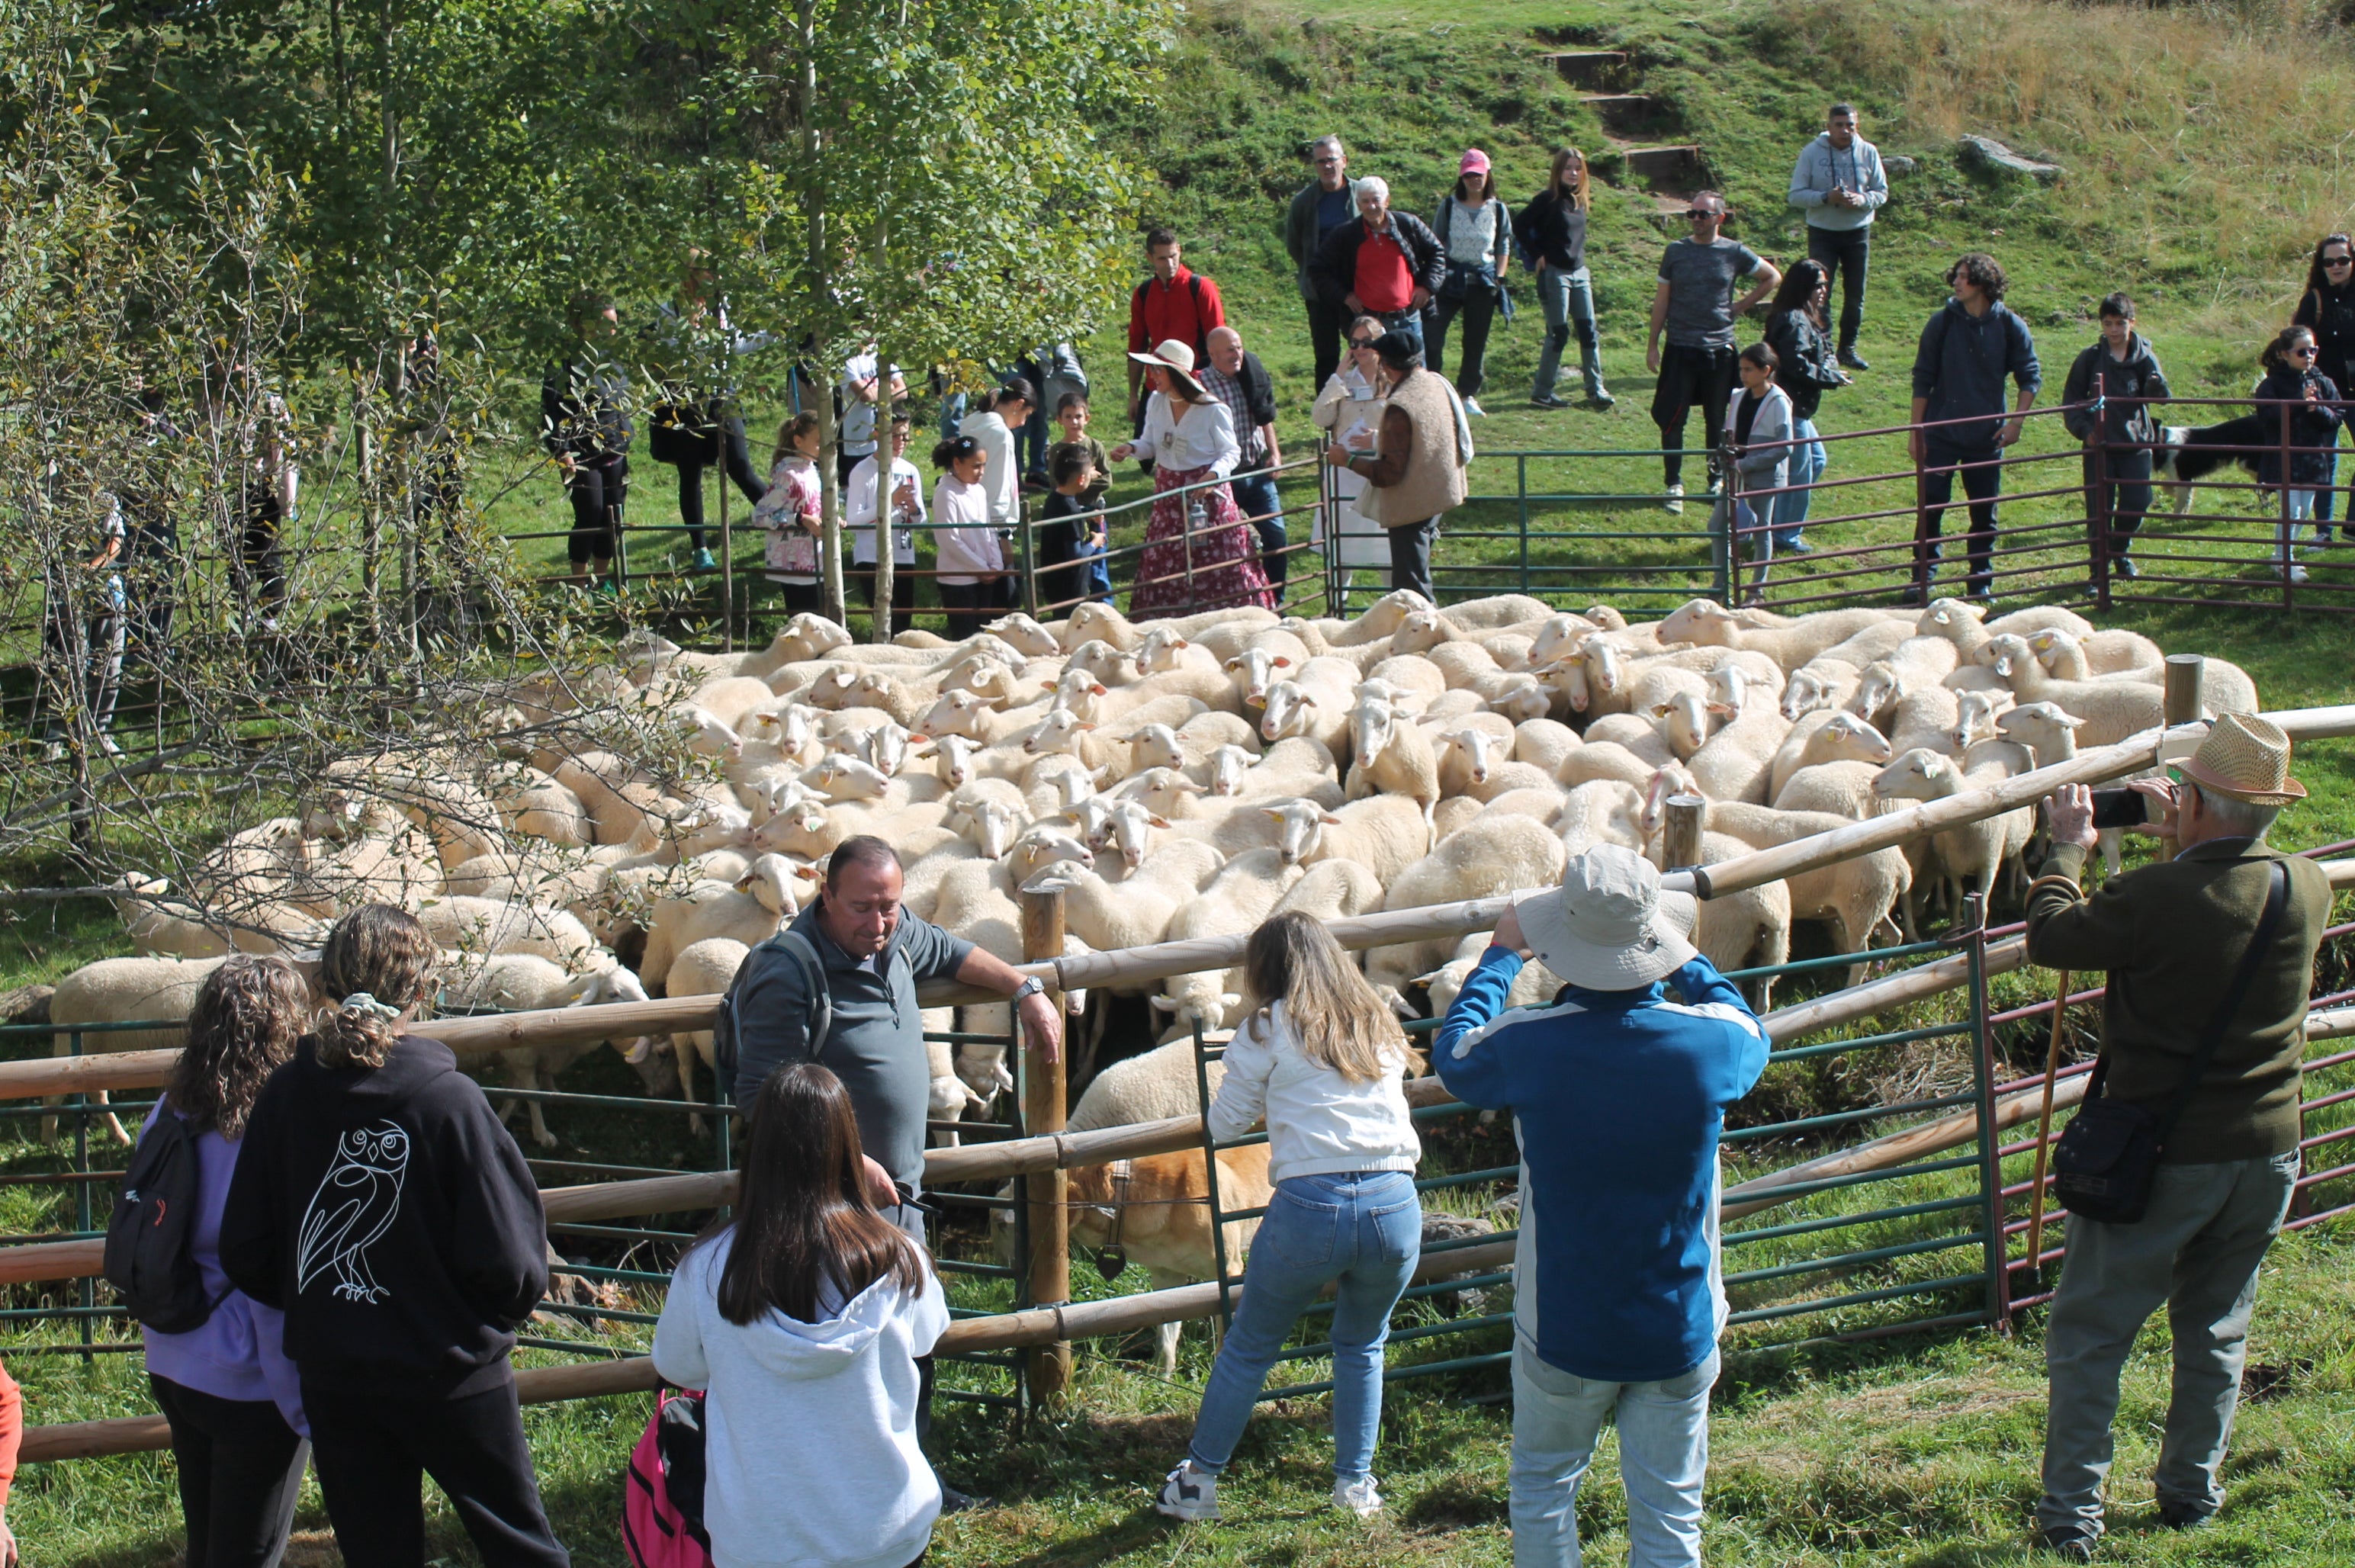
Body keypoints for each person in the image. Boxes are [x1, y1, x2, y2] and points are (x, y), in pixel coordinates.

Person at [2027, 715, 2332, 1563]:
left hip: (2162, 1154)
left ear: (2193, 799)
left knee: (2091, 1332)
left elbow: (2053, 937)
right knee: (2216, 1325)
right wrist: (2187, 841)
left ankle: (2070, 1516)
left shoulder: (2156, 899)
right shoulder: (2305, 883)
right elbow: (2208, 918)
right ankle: (2189, 1491)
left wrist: (2066, 851)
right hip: (2267, 1147)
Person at [1432, 844, 1769, 1568]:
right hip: (1678, 1321)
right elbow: (1748, 1022)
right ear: (1654, 936)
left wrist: (1500, 956)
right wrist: (1682, 959)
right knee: (1671, 1512)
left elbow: (1455, 1052)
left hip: (1564, 1322)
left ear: (1563, 939)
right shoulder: (1712, 1044)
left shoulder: (1528, 1045)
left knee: (1545, 1487)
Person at [220, 904, 567, 1568]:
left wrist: (324, 1307)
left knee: (377, 1553)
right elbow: (514, 1262)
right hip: (451, 1371)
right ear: (423, 992)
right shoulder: (449, 1103)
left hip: (336, 1373)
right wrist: (465, 1320)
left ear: (323, 985)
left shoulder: (286, 1097)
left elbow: (247, 1247)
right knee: (521, 1547)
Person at [725, 835, 1061, 1513]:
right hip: (824, 1210)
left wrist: (1025, 988)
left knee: (909, 1351)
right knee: (841, 1361)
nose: (877, 924)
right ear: (824, 894)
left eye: (889, 907)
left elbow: (954, 951)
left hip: (898, 1200)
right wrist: (852, 1163)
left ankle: (910, 1488)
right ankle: (834, 1497)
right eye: (861, 908)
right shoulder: (787, 973)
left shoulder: (896, 935)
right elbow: (762, 1095)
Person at [1155, 911, 1423, 1525]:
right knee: (1362, 1344)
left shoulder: (1267, 1026)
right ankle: (1355, 1487)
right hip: (1395, 1201)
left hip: (1312, 1205)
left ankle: (1198, 1485)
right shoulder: (1374, 1021)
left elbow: (1224, 1125)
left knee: (1250, 1346)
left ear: (1265, 969)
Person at [654, 1062, 947, 1568]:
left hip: (761, 1541)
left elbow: (679, 1367)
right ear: (849, 1147)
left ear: (760, 1149)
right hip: (887, 1531)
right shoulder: (902, 1258)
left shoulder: (706, 1267)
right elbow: (926, 1338)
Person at [142, 956, 313, 1568]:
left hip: (173, 1358)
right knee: (250, 1553)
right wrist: (302, 1406)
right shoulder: (275, 1130)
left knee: (207, 1544)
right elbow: (268, 1277)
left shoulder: (169, 1113)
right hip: (251, 1378)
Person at [1904, 252, 2040, 606]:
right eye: (1956, 276)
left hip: (1987, 436)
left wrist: (2016, 422)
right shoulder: (1942, 323)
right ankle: (1922, 578)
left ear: (1983, 283)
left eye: (1964, 277)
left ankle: (1980, 580)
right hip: (1940, 432)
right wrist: (1916, 430)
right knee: (1931, 507)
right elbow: (1923, 379)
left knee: (1984, 511)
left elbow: (2030, 376)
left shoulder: (2011, 326)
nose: (1957, 282)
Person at [1110, 340, 1274, 618]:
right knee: (1166, 561)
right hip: (1169, 497)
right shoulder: (1157, 401)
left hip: (1206, 495)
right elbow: (1151, 442)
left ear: (1177, 374)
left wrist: (1212, 475)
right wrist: (1133, 449)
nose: (1153, 377)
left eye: (1159, 371)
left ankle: (1239, 620)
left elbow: (1231, 451)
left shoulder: (1212, 409)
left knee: (1222, 560)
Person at [1646, 191, 1781, 514]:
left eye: (1703, 215)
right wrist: (1653, 343)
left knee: (1718, 419)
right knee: (1672, 418)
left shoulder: (1733, 252)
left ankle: (1715, 478)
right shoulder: (1676, 251)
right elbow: (1662, 298)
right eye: (1691, 213)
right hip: (1680, 347)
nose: (1695, 219)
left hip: (1719, 349)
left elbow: (1772, 277)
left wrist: (1739, 307)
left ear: (1719, 218)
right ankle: (1673, 484)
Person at [1322, 332, 1471, 606]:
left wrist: (1348, 460)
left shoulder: (1400, 406)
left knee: (1412, 589)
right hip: (1436, 492)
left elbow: (1389, 473)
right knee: (1417, 576)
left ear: (1386, 366)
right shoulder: (1433, 383)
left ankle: (1427, 638)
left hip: (1410, 504)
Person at [650, 255, 770, 570]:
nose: (715, 279)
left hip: (723, 396)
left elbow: (735, 346)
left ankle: (780, 524)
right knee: (690, 473)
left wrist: (772, 335)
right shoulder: (668, 311)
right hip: (686, 400)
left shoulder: (721, 308)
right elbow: (670, 355)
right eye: (708, 272)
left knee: (740, 464)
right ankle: (700, 549)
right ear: (691, 275)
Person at [2061, 294, 2170, 582]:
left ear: (2131, 323)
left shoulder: (2145, 356)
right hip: (2100, 447)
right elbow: (2071, 401)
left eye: (2120, 323)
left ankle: (2120, 551)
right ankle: (2097, 573)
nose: (2114, 330)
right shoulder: (2090, 358)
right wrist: (2086, 431)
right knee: (2099, 511)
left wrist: (2156, 387)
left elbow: (2163, 397)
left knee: (2138, 502)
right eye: (2108, 323)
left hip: (2136, 444)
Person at [541, 291, 632, 592]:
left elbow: (623, 398)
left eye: (615, 324)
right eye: (608, 325)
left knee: (613, 514)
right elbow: (551, 411)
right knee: (590, 513)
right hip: (580, 454)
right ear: (586, 325)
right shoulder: (563, 362)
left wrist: (625, 434)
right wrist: (563, 451)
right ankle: (578, 584)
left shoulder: (615, 357)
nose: (613, 331)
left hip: (614, 450)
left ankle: (602, 578)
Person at [1787, 104, 1887, 371]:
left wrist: (1862, 199)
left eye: (1850, 125)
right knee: (1821, 292)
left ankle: (1848, 349)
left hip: (1858, 232)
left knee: (1856, 294)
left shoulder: (1868, 152)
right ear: (1829, 126)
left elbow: (1882, 192)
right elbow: (1795, 195)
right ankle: (1824, 348)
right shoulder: (1810, 152)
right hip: (1823, 232)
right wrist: (1824, 198)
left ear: (1857, 125)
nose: (1845, 130)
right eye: (1839, 125)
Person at [1762, 258, 1849, 555]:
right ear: (1803, 287)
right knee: (1799, 472)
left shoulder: (1795, 316)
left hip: (1795, 406)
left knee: (1816, 460)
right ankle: (1785, 534)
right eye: (1817, 286)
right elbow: (1795, 364)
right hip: (1792, 405)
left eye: (1825, 285)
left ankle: (1780, 524)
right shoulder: (1795, 319)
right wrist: (1830, 377)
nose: (1822, 292)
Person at [1517, 146, 1611, 410]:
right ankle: (1542, 393)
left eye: (1578, 169)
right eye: (1568, 168)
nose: (1573, 173)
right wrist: (1537, 255)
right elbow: (1520, 225)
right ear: (1558, 171)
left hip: (1580, 272)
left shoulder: (1579, 201)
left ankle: (1596, 389)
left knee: (1588, 331)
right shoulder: (1547, 200)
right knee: (1558, 333)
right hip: (1555, 274)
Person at [37, 490, 127, 761]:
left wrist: (93, 568)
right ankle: (58, 733)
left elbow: (117, 542)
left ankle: (100, 731)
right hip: (66, 581)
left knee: (111, 658)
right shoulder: (54, 493)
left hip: (103, 580)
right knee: (68, 660)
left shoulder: (106, 497)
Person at [1310, 178, 1444, 358]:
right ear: (1358, 204)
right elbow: (1318, 268)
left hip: (1408, 319)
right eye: (1365, 201)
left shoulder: (1408, 224)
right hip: (1368, 324)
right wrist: (1344, 295)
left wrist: (1427, 287)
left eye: (1376, 200)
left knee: (1413, 379)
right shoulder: (1345, 234)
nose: (1371, 206)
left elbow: (1438, 253)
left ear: (1387, 201)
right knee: (1372, 380)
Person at [1200, 326, 1288, 596]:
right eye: (1229, 350)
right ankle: (1237, 599)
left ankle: (1276, 599)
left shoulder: (1251, 373)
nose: (1237, 354)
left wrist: (1274, 453)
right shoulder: (1201, 385)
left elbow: (1265, 414)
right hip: (1225, 478)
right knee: (1228, 544)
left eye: (1238, 347)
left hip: (1257, 471)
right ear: (1212, 354)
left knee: (1276, 537)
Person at [1311, 317, 1395, 602]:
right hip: (1343, 474)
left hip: (1377, 470)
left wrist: (1376, 438)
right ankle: (1339, 609)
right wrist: (1337, 376)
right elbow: (1320, 417)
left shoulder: (1393, 381)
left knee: (1386, 551)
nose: (1360, 349)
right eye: (1354, 343)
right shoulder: (1344, 381)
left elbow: (1404, 428)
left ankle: (1399, 610)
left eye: (1366, 343)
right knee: (1342, 551)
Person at [1425, 149, 1514, 417]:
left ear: (1488, 176)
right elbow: (1436, 240)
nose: (1474, 180)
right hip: (1450, 279)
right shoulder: (1450, 205)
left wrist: (1499, 275)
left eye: (1479, 175)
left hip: (1483, 280)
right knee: (1433, 335)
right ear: (1462, 177)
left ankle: (1468, 394)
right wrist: (1435, 274)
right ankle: (1434, 389)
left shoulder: (1497, 208)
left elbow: (1503, 243)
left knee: (1476, 341)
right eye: (1469, 175)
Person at [2252, 324, 2341, 586]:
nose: (2309, 356)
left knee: (2303, 512)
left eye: (2312, 350)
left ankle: (2282, 557)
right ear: (2284, 354)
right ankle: (2284, 559)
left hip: (2312, 457)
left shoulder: (2322, 382)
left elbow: (2336, 418)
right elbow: (2268, 417)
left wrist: (2318, 410)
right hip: (2284, 456)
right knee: (2291, 510)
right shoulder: (2272, 384)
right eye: (2302, 351)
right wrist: (2299, 405)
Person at [1126, 229, 1228, 450]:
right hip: (1157, 383)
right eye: (1162, 258)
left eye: (1173, 256)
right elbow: (1137, 345)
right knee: (1153, 446)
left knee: (1198, 446)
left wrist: (1220, 388)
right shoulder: (1143, 294)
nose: (1170, 263)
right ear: (1150, 258)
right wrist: (1133, 395)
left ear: (1180, 251)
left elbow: (1219, 341)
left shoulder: (1200, 287)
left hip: (1196, 381)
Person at [2292, 232, 2355, 542]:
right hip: (2325, 391)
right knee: (2326, 459)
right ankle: (2323, 532)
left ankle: (2352, 525)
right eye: (2329, 262)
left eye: (2343, 260)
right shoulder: (2314, 300)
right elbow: (2294, 342)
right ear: (2322, 266)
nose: (2337, 267)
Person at [1287, 135, 1361, 394]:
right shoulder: (1304, 202)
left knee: (1367, 348)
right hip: (1320, 292)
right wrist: (1316, 274)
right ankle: (1327, 418)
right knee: (1326, 356)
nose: (1327, 167)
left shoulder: (1362, 194)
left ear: (1344, 161)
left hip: (1359, 290)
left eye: (1331, 160)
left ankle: (1372, 406)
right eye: (1321, 162)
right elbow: (1296, 246)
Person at [1722, 342, 1794, 600]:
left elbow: (1784, 447)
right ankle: (1720, 585)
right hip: (1735, 475)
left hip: (1761, 477)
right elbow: (1729, 432)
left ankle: (1756, 590)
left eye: (1749, 370)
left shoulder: (1778, 402)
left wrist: (1746, 464)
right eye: (1741, 369)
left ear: (1766, 370)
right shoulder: (1738, 397)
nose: (1743, 375)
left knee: (1762, 531)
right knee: (1719, 526)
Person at [846, 410, 922, 637]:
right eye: (895, 436)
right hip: (872, 556)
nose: (901, 442)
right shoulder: (862, 471)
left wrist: (914, 510)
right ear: (877, 434)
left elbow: (921, 518)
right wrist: (890, 502)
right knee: (887, 622)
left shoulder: (910, 470)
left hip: (904, 554)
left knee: (904, 625)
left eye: (905, 436)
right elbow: (853, 520)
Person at [927, 434, 1005, 638]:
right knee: (966, 636)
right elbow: (949, 539)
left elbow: (988, 528)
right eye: (976, 466)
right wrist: (980, 567)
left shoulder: (979, 491)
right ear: (957, 463)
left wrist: (996, 563)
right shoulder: (946, 493)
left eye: (983, 465)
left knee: (985, 633)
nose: (981, 472)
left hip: (984, 575)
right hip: (958, 580)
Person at [750, 411, 825, 616]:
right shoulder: (787, 475)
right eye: (818, 441)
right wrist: (800, 519)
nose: (824, 446)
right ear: (798, 441)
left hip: (816, 560)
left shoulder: (813, 471)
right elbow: (760, 516)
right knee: (805, 623)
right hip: (793, 565)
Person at [959, 380, 1034, 575]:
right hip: (992, 526)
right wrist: (1003, 532)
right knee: (1005, 596)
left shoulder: (970, 423)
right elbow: (1000, 485)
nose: (1023, 422)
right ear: (1017, 405)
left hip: (965, 518)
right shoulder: (1002, 435)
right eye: (1026, 415)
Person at [1036, 443, 1110, 614]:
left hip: (1053, 582)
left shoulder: (1054, 499)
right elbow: (1075, 556)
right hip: (1071, 587)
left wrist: (1085, 514)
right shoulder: (1071, 511)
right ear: (1081, 479)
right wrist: (1095, 542)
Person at [837, 346, 908, 490]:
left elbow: (903, 391)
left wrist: (876, 393)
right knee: (859, 483)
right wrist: (888, 389)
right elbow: (865, 396)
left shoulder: (882, 355)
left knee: (884, 478)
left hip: (884, 427)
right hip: (858, 433)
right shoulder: (847, 360)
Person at [1047, 392, 1113, 512]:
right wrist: (1088, 475)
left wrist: (1074, 483)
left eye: (1078, 416)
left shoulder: (1095, 446)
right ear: (1059, 419)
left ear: (1087, 418)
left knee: (1097, 532)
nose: (1074, 422)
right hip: (1067, 507)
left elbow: (1107, 480)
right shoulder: (1056, 450)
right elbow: (1054, 483)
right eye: (1068, 417)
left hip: (1095, 506)